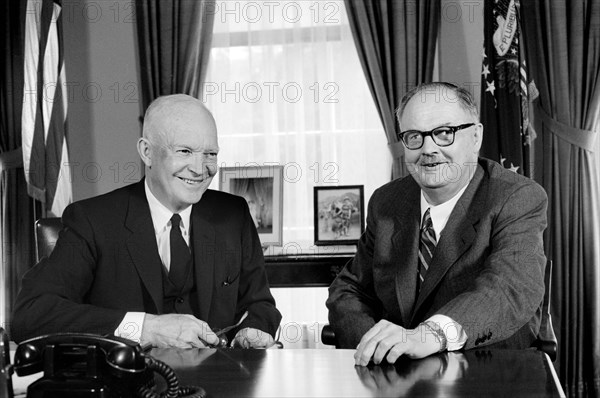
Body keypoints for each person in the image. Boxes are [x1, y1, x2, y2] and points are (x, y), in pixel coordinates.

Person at [12, 94, 282, 349]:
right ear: (147, 152)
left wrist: (253, 330)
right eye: (185, 151)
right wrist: (145, 328)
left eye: (210, 154)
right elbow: (31, 315)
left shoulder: (233, 214)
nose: (200, 169)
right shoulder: (93, 221)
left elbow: (260, 305)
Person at [326, 82, 547, 366]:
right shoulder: (386, 202)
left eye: (444, 133)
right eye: (414, 136)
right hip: (396, 380)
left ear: (476, 136)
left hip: (487, 372)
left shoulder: (516, 197)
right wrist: (381, 345)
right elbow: (349, 290)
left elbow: (509, 288)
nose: (428, 149)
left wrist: (428, 336)